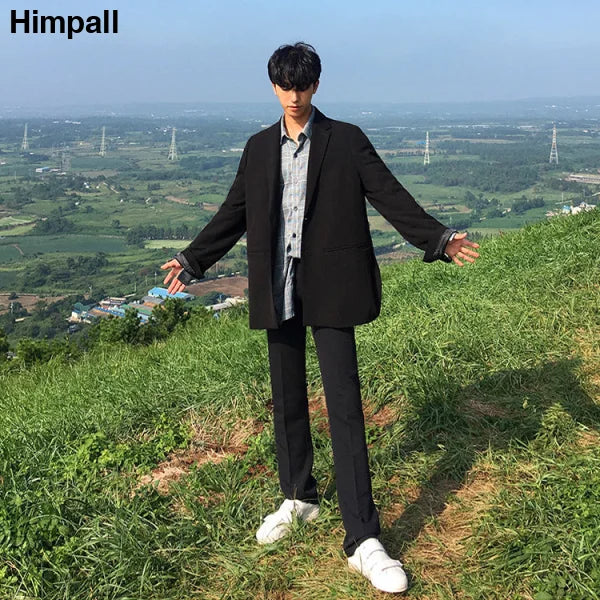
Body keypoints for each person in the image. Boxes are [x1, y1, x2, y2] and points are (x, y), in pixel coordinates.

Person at [160, 42, 480, 594]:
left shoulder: (346, 139)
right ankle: (299, 497)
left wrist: (439, 239)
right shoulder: (259, 148)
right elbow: (234, 211)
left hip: (333, 285)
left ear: (316, 85)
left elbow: (389, 195)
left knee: (345, 403)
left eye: (302, 84)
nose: (294, 94)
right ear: (273, 87)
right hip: (277, 283)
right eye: (285, 85)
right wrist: (192, 260)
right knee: (286, 396)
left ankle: (363, 537)